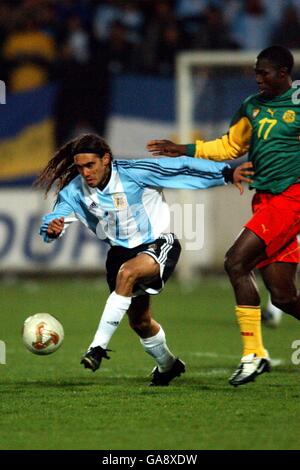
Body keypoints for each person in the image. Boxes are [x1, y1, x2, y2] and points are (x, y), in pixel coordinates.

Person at [35, 133, 252, 386]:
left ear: (106, 160)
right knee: (140, 322)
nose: (85, 173)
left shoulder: (134, 172)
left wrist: (225, 173)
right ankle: (168, 365)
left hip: (158, 243)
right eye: (80, 167)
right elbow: (56, 216)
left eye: (90, 165)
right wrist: (52, 228)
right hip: (119, 254)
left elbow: (180, 167)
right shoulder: (75, 191)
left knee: (127, 274)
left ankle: (96, 348)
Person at [147, 45, 300, 387]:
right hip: (265, 200)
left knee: (235, 263)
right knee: (284, 295)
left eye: (265, 72)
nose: (257, 78)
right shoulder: (252, 107)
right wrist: (184, 149)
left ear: (284, 73)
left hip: (292, 197)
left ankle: (254, 354)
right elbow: (229, 146)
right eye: (256, 71)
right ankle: (256, 353)